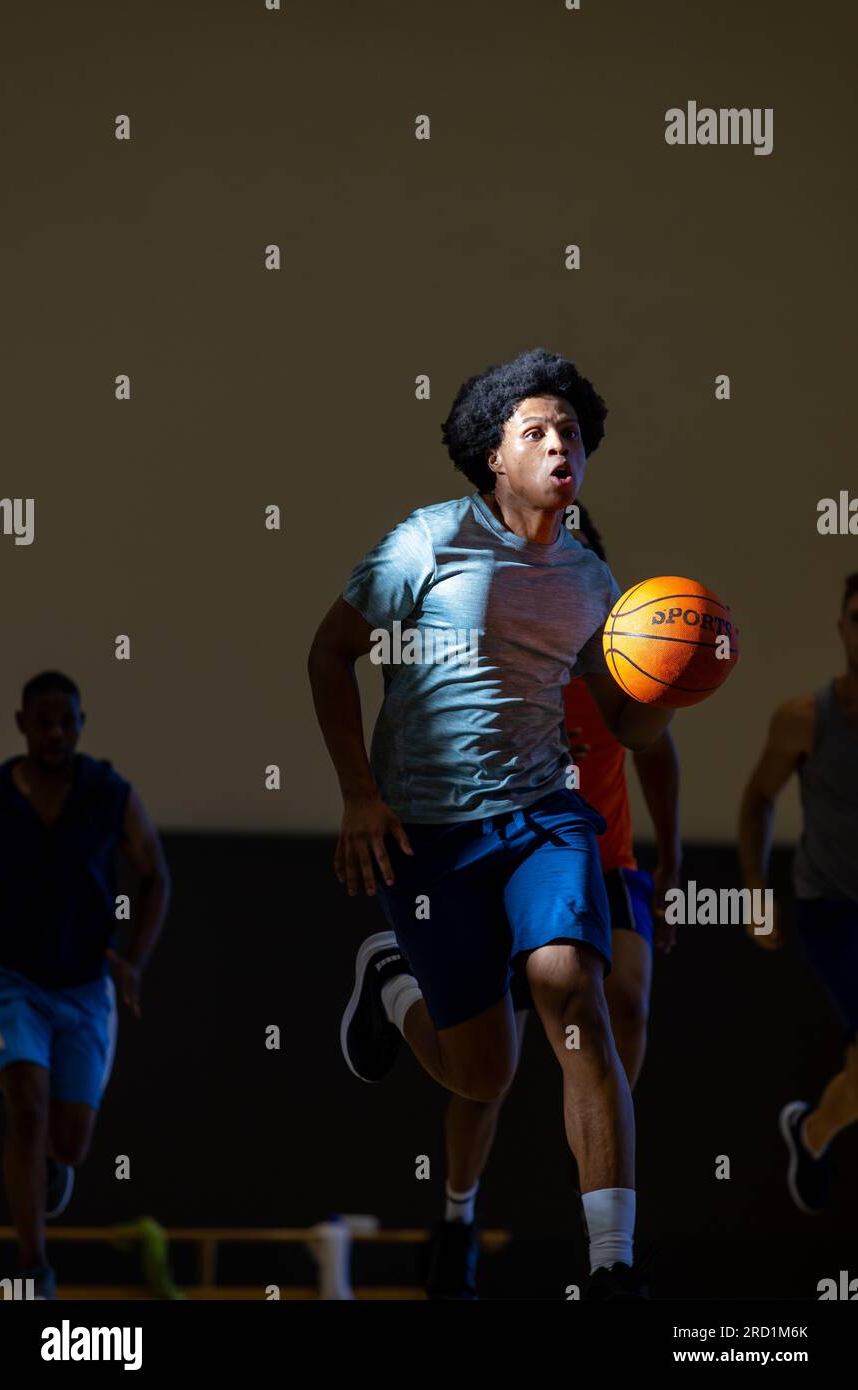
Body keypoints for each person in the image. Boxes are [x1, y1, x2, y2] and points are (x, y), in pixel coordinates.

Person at [309, 348, 679, 1299]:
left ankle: (612, 1265)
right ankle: (392, 980)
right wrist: (357, 793)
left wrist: (678, 680)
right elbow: (328, 655)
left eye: (572, 431)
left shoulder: (594, 582)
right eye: (536, 431)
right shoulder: (422, 544)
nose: (561, 444)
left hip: (543, 817)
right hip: (428, 835)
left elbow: (628, 725)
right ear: (491, 459)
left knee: (576, 997)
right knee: (482, 1075)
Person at [425, 504, 681, 1299]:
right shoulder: (495, 654)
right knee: (485, 1075)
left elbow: (656, 752)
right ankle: (457, 1219)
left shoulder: (621, 657)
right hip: (508, 862)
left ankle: (609, 1225)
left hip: (603, 864)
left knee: (625, 1008)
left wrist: (667, 868)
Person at [0, 672, 171, 1300]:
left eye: (66, 720)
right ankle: (33, 1270)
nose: (55, 733)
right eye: (42, 721)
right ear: (20, 724)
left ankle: (53, 1165)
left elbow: (155, 878)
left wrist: (134, 961)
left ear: (80, 723)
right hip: (8, 982)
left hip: (85, 987)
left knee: (66, 1140)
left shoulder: (107, 793)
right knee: (26, 1104)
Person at [739, 572, 858, 1215]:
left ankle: (810, 1132)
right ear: (842, 627)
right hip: (833, 912)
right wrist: (756, 894)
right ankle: (810, 1132)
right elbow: (758, 799)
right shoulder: (804, 719)